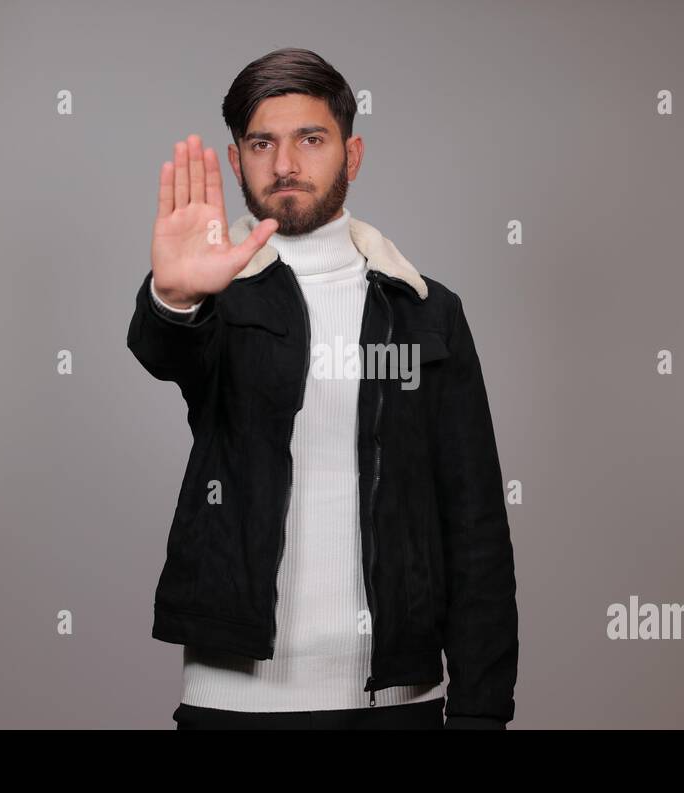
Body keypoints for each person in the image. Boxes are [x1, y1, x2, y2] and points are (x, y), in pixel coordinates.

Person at [127, 47, 518, 730]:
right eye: (262, 143)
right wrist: (175, 294)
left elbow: (474, 518)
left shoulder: (426, 309)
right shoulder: (218, 299)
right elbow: (166, 351)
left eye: (310, 139)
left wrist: (483, 710)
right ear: (235, 158)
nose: (284, 164)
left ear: (352, 154)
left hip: (398, 703)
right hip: (234, 703)